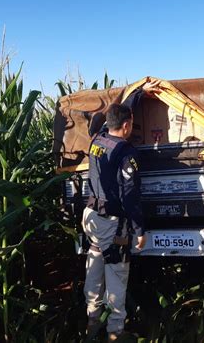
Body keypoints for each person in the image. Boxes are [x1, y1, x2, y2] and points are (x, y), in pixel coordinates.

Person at [82, 79, 160, 341]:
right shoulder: (126, 153)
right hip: (111, 222)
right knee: (116, 270)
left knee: (94, 262)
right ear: (126, 126)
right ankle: (115, 331)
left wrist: (136, 95)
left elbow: (114, 117)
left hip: (91, 216)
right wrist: (139, 229)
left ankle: (92, 321)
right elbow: (129, 196)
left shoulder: (98, 139)